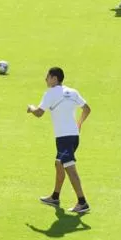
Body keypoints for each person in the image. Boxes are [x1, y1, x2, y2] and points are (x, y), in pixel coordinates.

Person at [26, 66, 92, 214]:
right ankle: (55, 197)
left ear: (54, 78)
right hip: (73, 136)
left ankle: (82, 202)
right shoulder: (73, 92)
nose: (45, 79)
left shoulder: (50, 93)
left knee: (70, 168)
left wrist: (31, 108)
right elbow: (87, 109)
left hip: (64, 138)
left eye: (47, 77)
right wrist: (79, 124)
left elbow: (39, 113)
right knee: (59, 164)